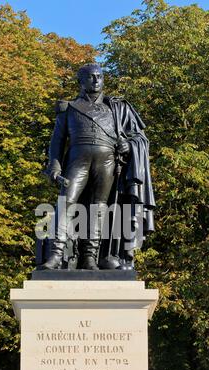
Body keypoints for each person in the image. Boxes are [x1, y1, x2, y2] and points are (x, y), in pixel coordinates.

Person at [41, 63, 155, 271]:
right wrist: (55, 168)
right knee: (66, 203)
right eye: (91, 77)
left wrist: (128, 145)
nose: (96, 81)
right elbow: (56, 142)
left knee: (99, 208)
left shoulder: (116, 108)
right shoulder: (68, 109)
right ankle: (56, 255)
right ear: (81, 81)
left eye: (100, 77)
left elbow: (139, 137)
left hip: (107, 162)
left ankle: (90, 257)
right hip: (77, 160)